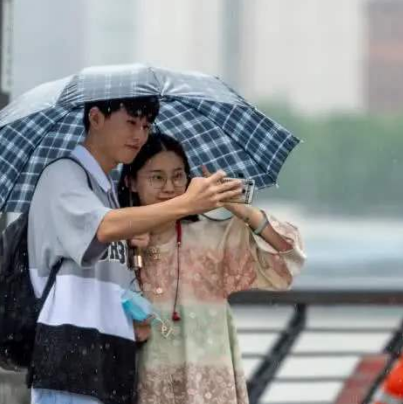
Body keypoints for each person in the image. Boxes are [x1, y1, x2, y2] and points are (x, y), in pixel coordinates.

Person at [27, 97, 243, 404]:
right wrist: (186, 204)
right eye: (131, 123)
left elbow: (107, 276)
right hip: (71, 363)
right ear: (96, 118)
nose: (139, 136)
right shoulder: (64, 176)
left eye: (145, 126)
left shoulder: (108, 195)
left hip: (111, 364)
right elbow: (101, 228)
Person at [117, 132, 306, 404]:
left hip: (208, 388)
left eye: (178, 176)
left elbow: (286, 256)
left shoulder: (212, 239)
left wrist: (241, 209)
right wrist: (132, 255)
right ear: (131, 182)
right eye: (157, 177)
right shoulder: (115, 240)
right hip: (143, 385)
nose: (169, 187)